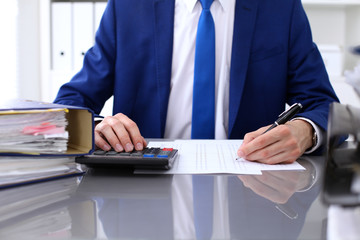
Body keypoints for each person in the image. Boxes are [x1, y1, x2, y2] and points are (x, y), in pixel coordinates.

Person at [54, 0, 339, 164]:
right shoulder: (128, 7)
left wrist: (306, 131)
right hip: (142, 183)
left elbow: (324, 105)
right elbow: (70, 102)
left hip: (253, 184)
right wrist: (95, 128)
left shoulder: (281, 8)